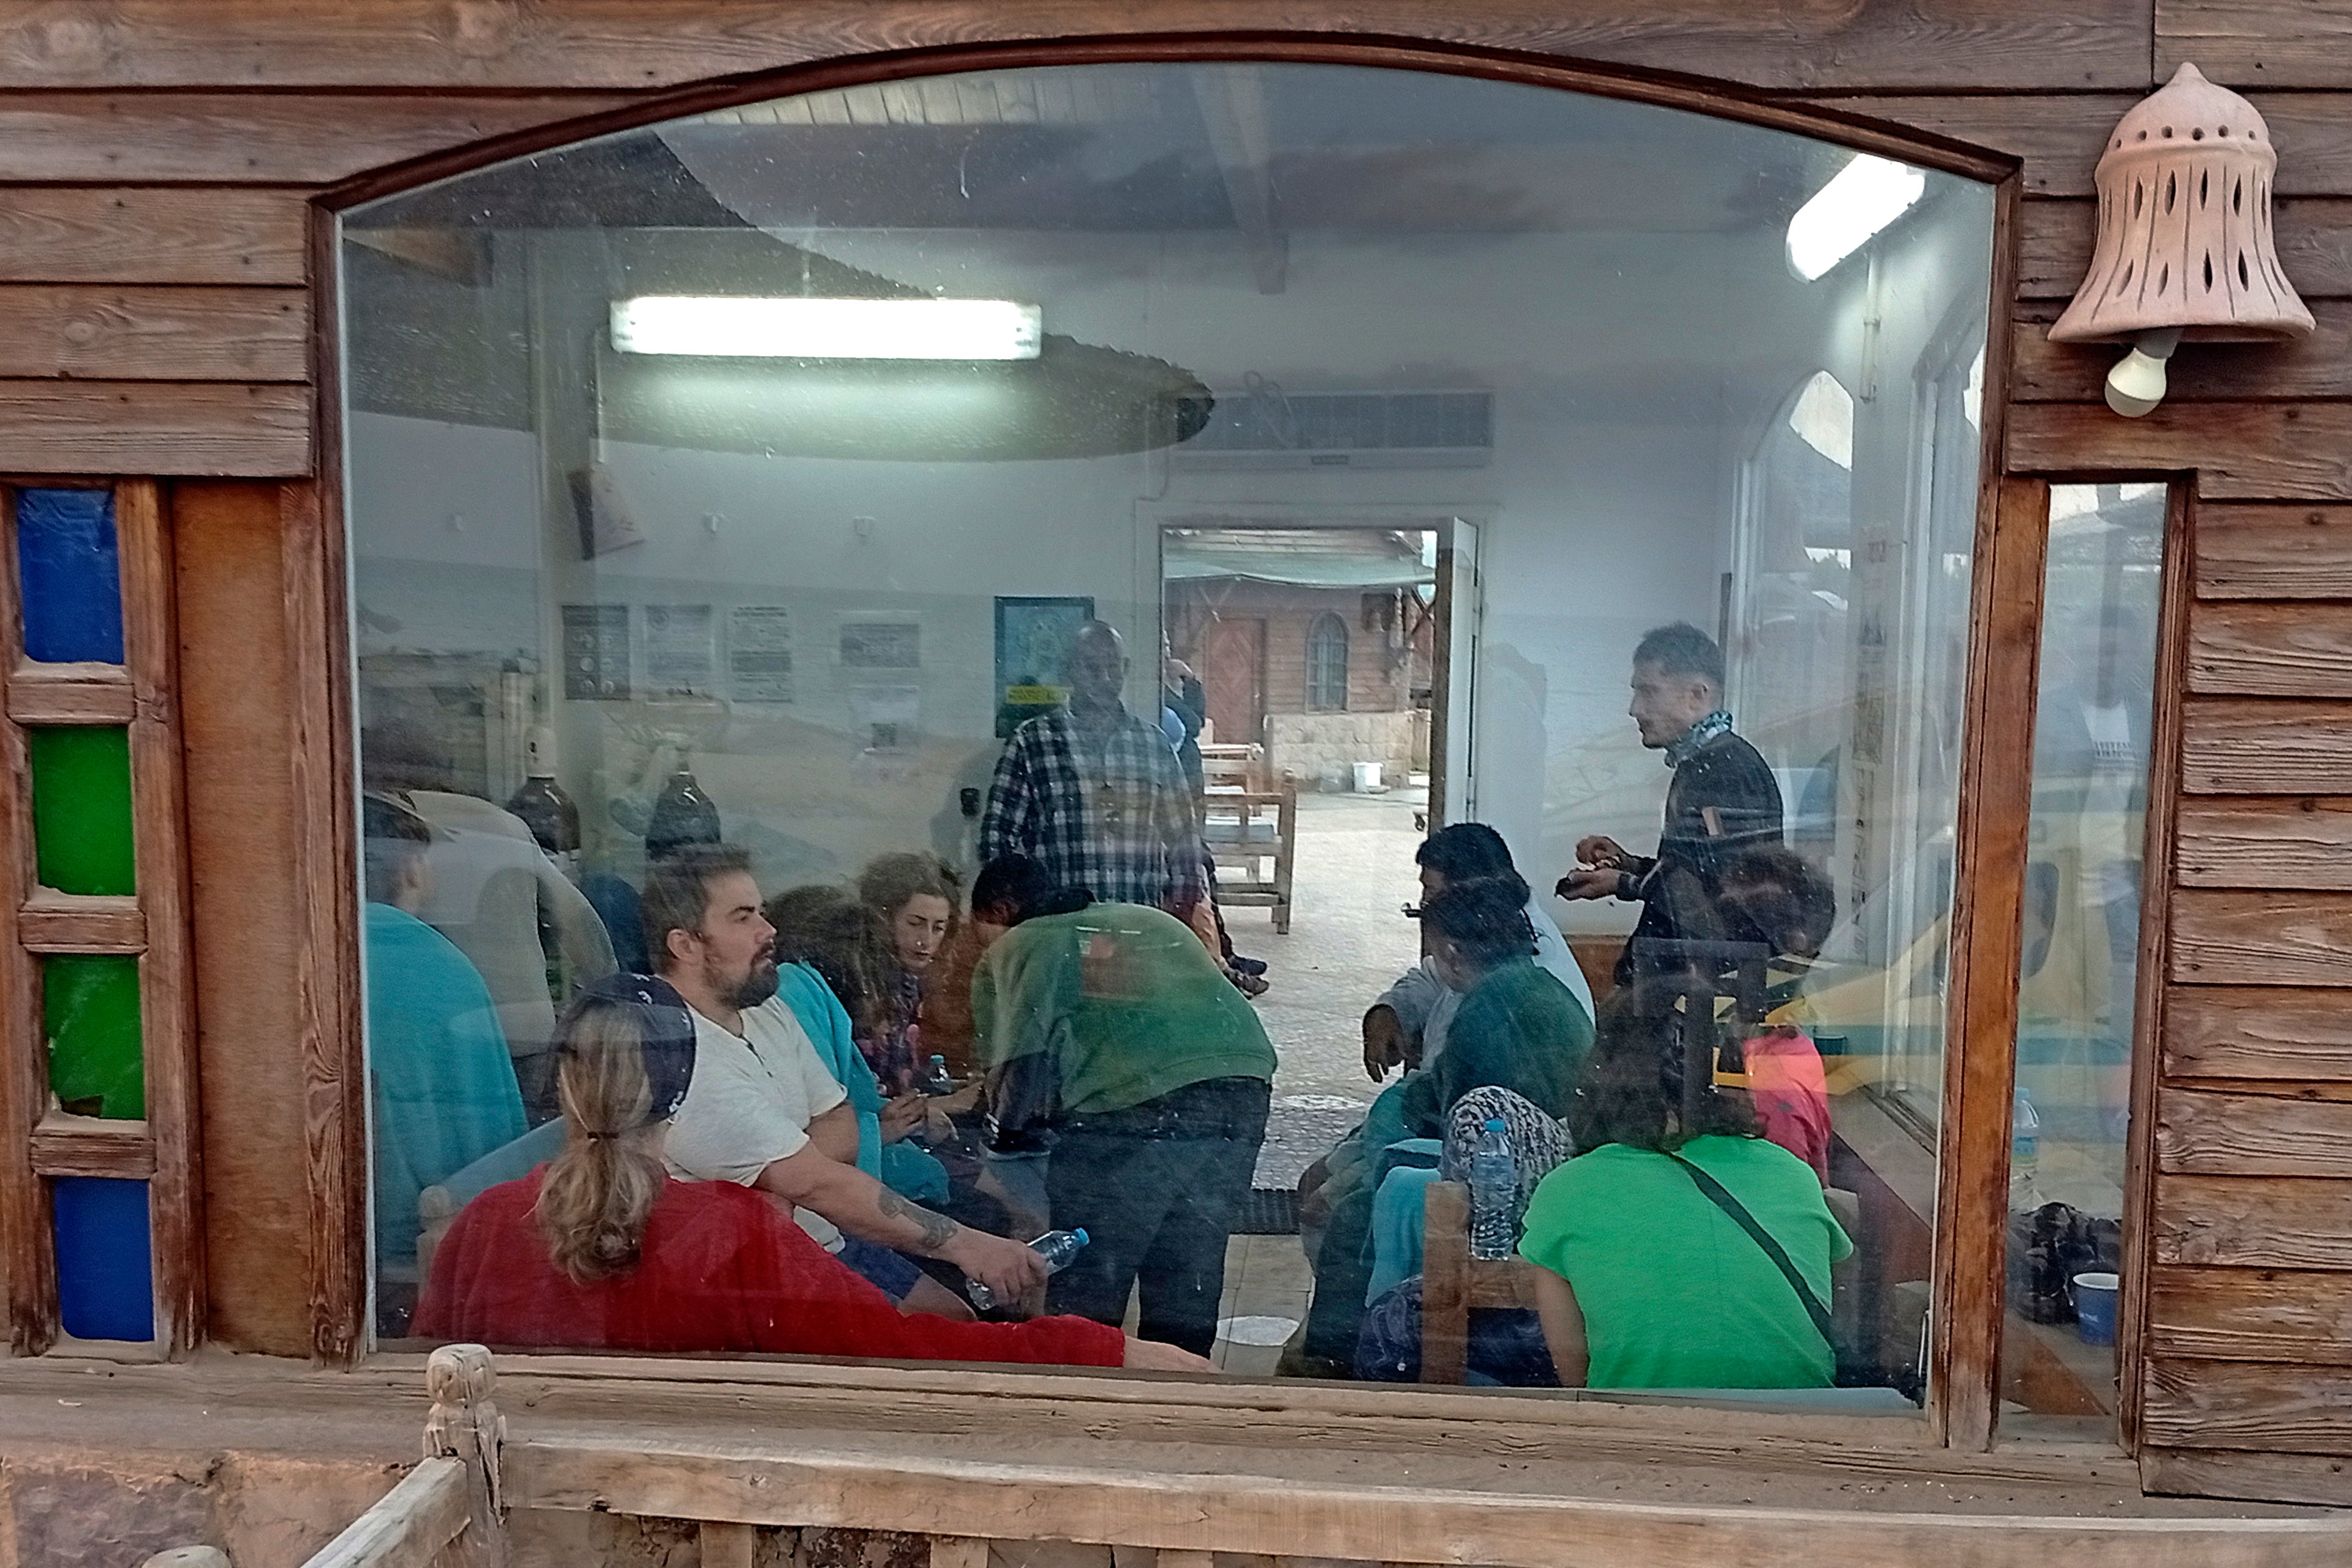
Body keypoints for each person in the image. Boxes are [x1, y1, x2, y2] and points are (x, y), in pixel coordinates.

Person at [414, 976, 1212, 1373]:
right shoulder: (730, 1230)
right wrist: (1107, 1352)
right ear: (686, 1092)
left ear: (563, 1087)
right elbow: (911, 1356)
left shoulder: (484, 1227)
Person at [648, 843, 1049, 1315]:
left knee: (961, 1316)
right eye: (743, 917)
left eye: (763, 912)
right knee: (952, 1342)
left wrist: (784, 1164)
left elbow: (842, 1125)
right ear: (685, 944)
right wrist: (968, 1246)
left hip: (832, 1233)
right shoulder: (681, 1055)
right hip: (773, 1275)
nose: (769, 930)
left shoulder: (768, 1006)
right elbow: (820, 1181)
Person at [971, 854, 1276, 1355]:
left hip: (1138, 1108)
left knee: (1092, 1269)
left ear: (1000, 911)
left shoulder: (1023, 942)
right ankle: (1180, 1391)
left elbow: (1017, 1075)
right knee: (1189, 1261)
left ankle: (1080, 1398)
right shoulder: (1140, 918)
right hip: (1243, 1084)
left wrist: (995, 1147)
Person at [1518, 984, 1850, 1389]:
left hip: (1645, 1438)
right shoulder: (1792, 1173)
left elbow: (1577, 1379)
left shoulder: (1564, 1193)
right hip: (1804, 1435)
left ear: (1601, 1075)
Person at [360, 792, 527, 1324]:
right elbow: (495, 1157)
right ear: (412, 867)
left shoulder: (292, 949)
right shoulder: (443, 968)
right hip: (413, 1264)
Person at [1555, 623, 1785, 985]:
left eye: (1648, 692)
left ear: (1697, 694)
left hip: (1701, 993)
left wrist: (1627, 883)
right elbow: (1700, 873)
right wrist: (1629, 866)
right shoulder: (1706, 763)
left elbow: (1725, 898)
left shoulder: (1725, 770)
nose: (1635, 709)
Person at [979, 621, 1210, 928]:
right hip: (1058, 933)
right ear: (1068, 670)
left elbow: (1184, 840)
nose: (1103, 678)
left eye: (1112, 667)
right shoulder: (1033, 742)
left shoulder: (1153, 744)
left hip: (1139, 929)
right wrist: (1024, 918)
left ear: (1125, 669)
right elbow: (996, 841)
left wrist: (1179, 916)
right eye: (1090, 667)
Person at [1363, 823, 1594, 1083]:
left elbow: (1453, 1095)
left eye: (1432, 892)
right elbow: (1432, 976)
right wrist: (1390, 1010)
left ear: (1468, 892)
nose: (1424, 905)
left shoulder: (1515, 977)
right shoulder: (1487, 936)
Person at [766, 885, 950, 1207]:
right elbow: (811, 1139)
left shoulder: (817, 994)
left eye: (939, 927)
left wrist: (889, 1117)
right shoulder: (793, 989)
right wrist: (880, 1131)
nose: (926, 940)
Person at [857, 852, 962, 1095]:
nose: (925, 941)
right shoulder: (863, 982)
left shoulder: (910, 982)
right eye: (915, 923)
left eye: (938, 928)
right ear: (883, 919)